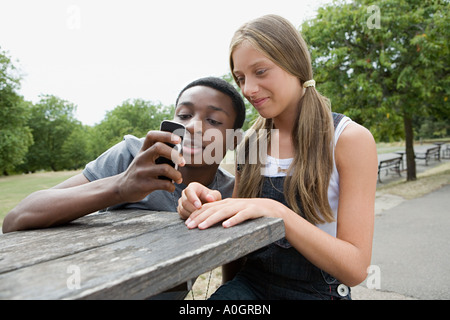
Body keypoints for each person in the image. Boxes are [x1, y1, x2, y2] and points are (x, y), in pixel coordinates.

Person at [177, 15, 378, 300]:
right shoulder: (250, 143)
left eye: (260, 71)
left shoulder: (348, 139)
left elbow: (355, 269)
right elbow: (239, 235)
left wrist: (279, 213)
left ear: (294, 64)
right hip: (250, 286)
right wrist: (202, 203)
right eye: (241, 78)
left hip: (319, 292)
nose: (248, 89)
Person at [2, 76, 245, 233]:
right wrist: (121, 185)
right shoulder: (132, 156)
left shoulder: (229, 191)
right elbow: (17, 218)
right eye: (183, 115)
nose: (192, 126)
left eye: (213, 120)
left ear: (234, 139)